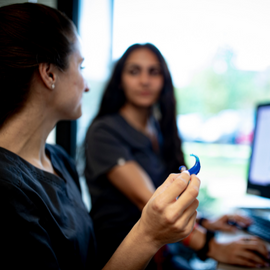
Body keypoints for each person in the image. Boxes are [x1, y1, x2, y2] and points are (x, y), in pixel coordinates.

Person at [0, 3, 201, 270]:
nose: (87, 85)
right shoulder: (6, 191)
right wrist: (148, 235)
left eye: (154, 72)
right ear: (49, 74)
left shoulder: (59, 160)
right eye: (80, 67)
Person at [84, 43, 270, 269]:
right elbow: (151, 201)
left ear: (164, 80)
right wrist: (213, 248)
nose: (145, 80)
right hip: (124, 256)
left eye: (154, 72)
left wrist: (205, 221)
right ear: (120, 80)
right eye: (134, 71)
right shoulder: (104, 132)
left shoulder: (158, 129)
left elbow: (172, 198)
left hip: (163, 252)